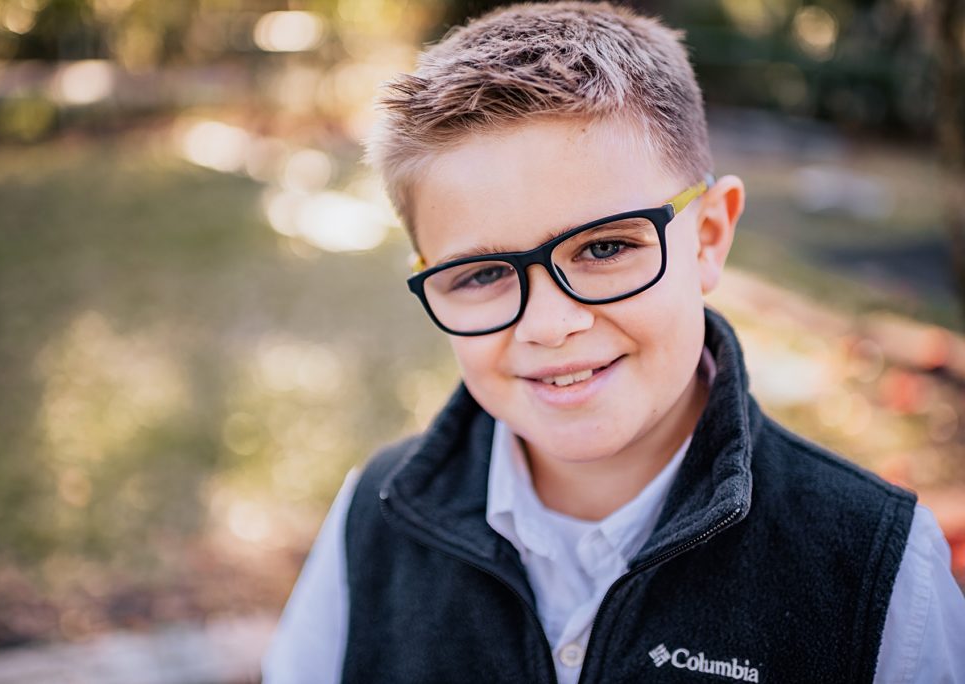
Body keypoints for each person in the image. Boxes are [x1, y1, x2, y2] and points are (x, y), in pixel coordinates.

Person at [262, 3, 965, 682]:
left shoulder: (875, 564)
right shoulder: (372, 521)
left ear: (709, 238)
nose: (548, 323)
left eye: (604, 247)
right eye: (480, 273)